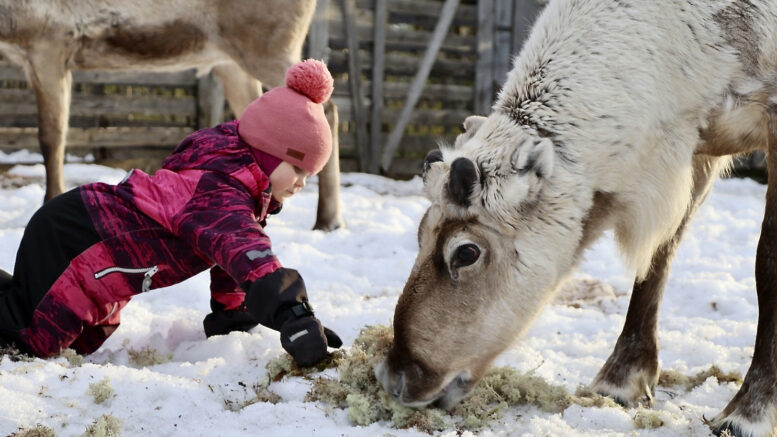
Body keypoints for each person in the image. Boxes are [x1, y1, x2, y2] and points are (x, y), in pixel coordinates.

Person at [0, 59, 342, 366]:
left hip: (95, 258)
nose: (301, 183)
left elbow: (229, 256)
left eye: (309, 176)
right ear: (267, 152)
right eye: (297, 169)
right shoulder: (217, 193)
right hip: (76, 238)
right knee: (33, 341)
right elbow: (246, 250)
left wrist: (233, 317)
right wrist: (294, 314)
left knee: (72, 339)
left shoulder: (236, 192)